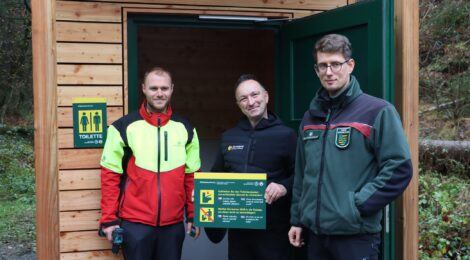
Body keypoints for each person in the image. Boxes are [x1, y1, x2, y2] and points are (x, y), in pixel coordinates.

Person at [288, 34, 413, 259]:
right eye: (322, 65)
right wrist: (297, 220)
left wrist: (358, 205)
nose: (329, 72)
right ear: (316, 70)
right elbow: (301, 174)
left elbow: (399, 168)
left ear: (350, 65)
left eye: (335, 64)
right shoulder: (310, 117)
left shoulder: (378, 111)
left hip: (355, 236)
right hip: (316, 236)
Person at [99, 67, 201, 260]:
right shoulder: (122, 127)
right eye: (154, 88)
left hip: (173, 224)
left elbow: (192, 176)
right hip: (135, 223)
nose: (159, 93)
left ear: (172, 89)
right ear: (144, 89)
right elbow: (109, 176)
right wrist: (109, 220)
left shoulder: (186, 128)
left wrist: (194, 216)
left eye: (164, 88)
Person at [206, 75, 297, 260]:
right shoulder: (229, 137)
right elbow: (215, 178)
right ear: (238, 104)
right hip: (239, 232)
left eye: (255, 95)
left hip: (274, 231)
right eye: (244, 98)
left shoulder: (286, 136)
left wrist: (283, 186)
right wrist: (202, 193)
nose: (251, 102)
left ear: (266, 96)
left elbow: (302, 176)